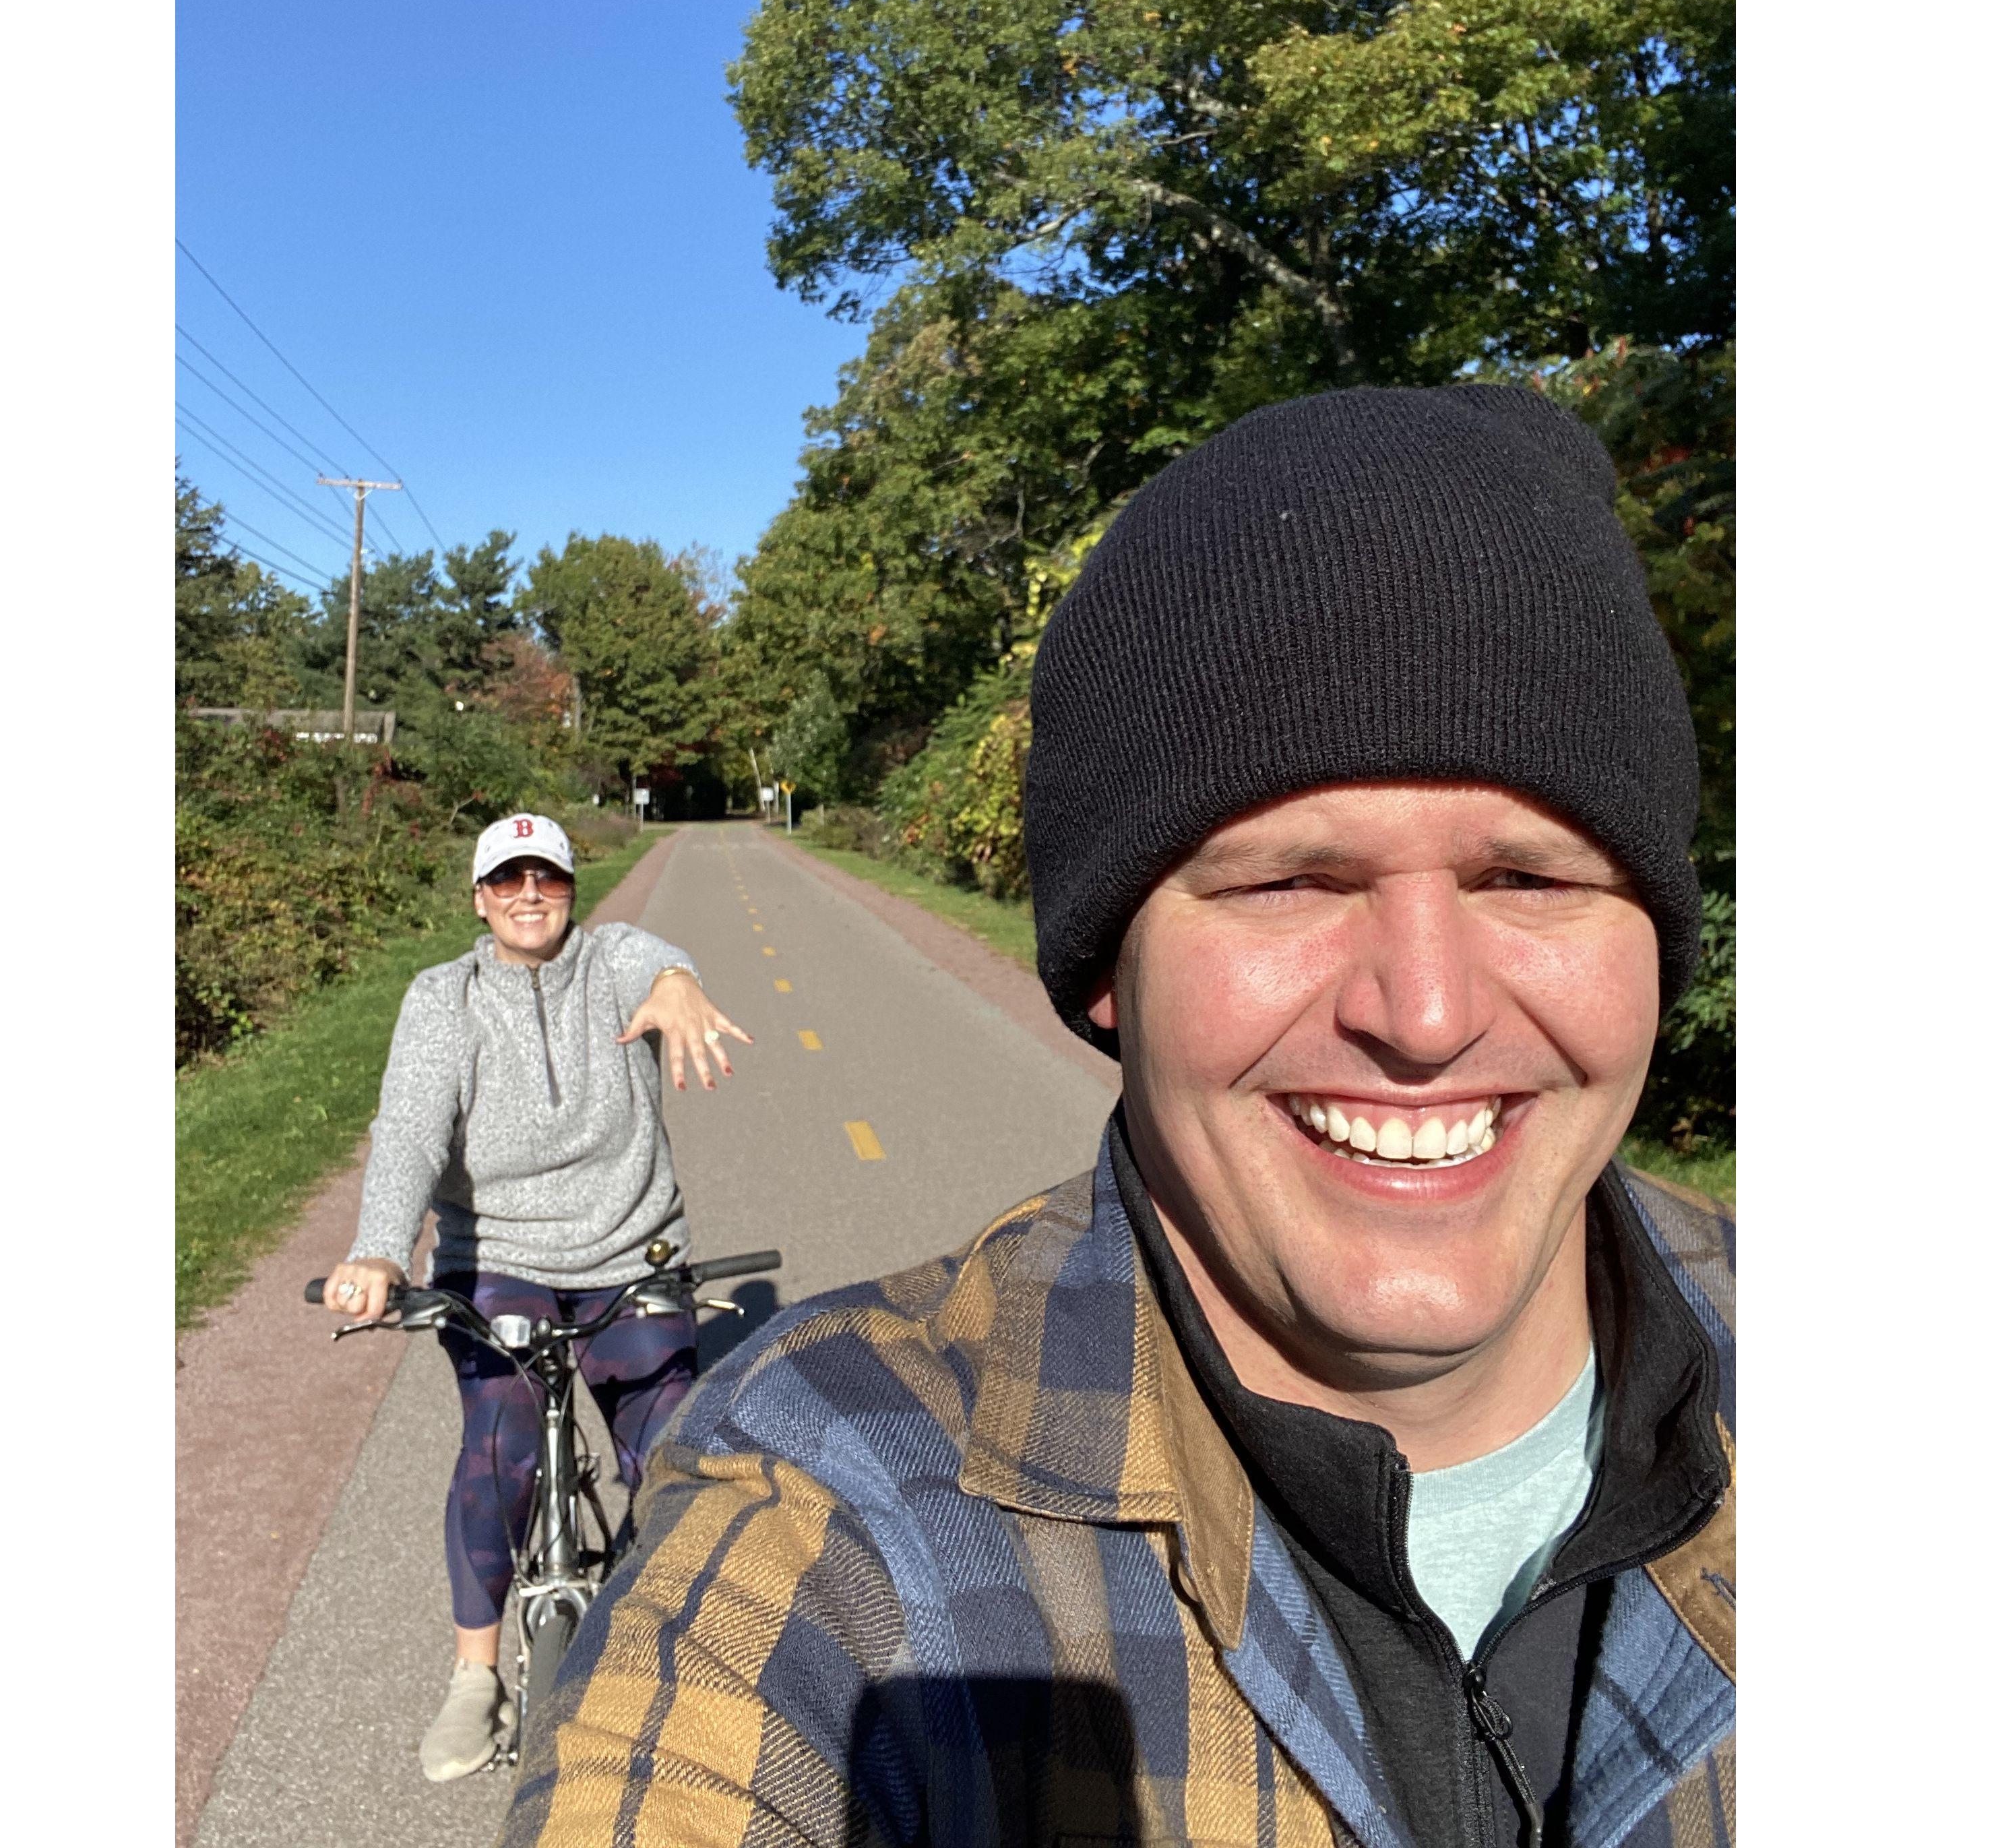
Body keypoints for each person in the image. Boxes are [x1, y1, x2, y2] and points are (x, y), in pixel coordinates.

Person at [499, 389, 1735, 1848]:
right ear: (1106, 970)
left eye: (1530, 878)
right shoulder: (831, 1511)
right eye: (1287, 880)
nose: (1423, 1012)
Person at [320, 809, 751, 1784]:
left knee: (673, 1451)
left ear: (570, 891)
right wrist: (382, 1252)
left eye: (547, 879)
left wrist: (679, 983)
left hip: (631, 1248)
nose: (528, 895)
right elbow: (410, 1132)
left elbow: (658, 957)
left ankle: (672, 1646)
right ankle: (476, 1676)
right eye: (507, 880)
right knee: (500, 1451)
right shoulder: (443, 1000)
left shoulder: (613, 961)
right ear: (479, 898)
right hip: (500, 1257)